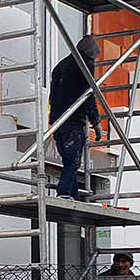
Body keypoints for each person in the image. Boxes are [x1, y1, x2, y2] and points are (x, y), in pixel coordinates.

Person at [49, 35, 104, 200]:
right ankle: (64, 193)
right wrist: (96, 122)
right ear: (91, 53)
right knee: (73, 162)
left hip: (57, 121)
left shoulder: (61, 66)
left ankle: (71, 195)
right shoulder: (84, 64)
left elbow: (53, 96)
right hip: (73, 120)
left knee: (69, 161)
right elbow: (88, 95)